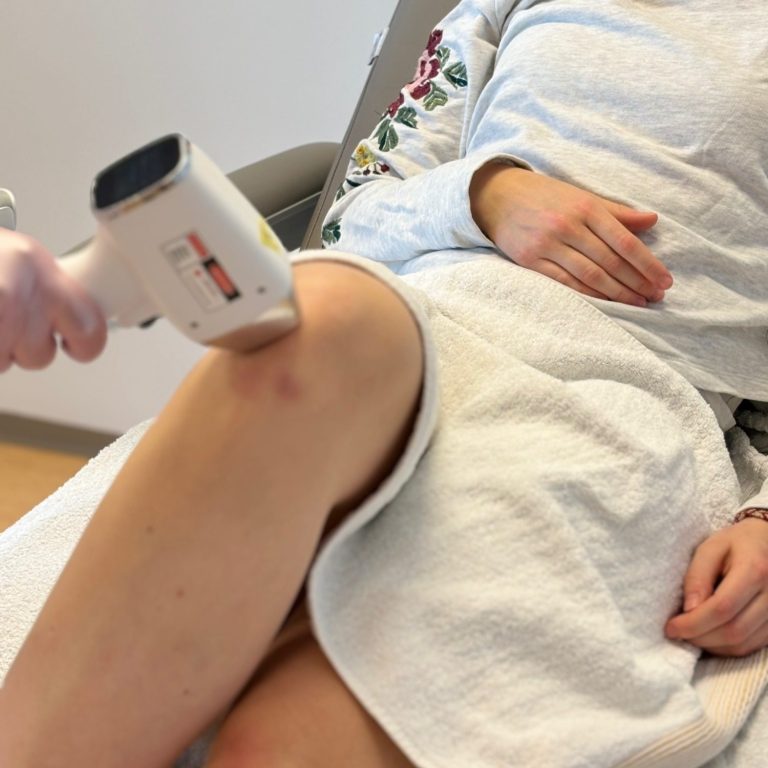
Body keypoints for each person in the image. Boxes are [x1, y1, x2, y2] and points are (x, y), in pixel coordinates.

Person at [1, 1, 767, 766]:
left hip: (622, 397)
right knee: (326, 316)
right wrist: (484, 195)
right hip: (422, 318)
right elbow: (351, 219)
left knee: (282, 746)